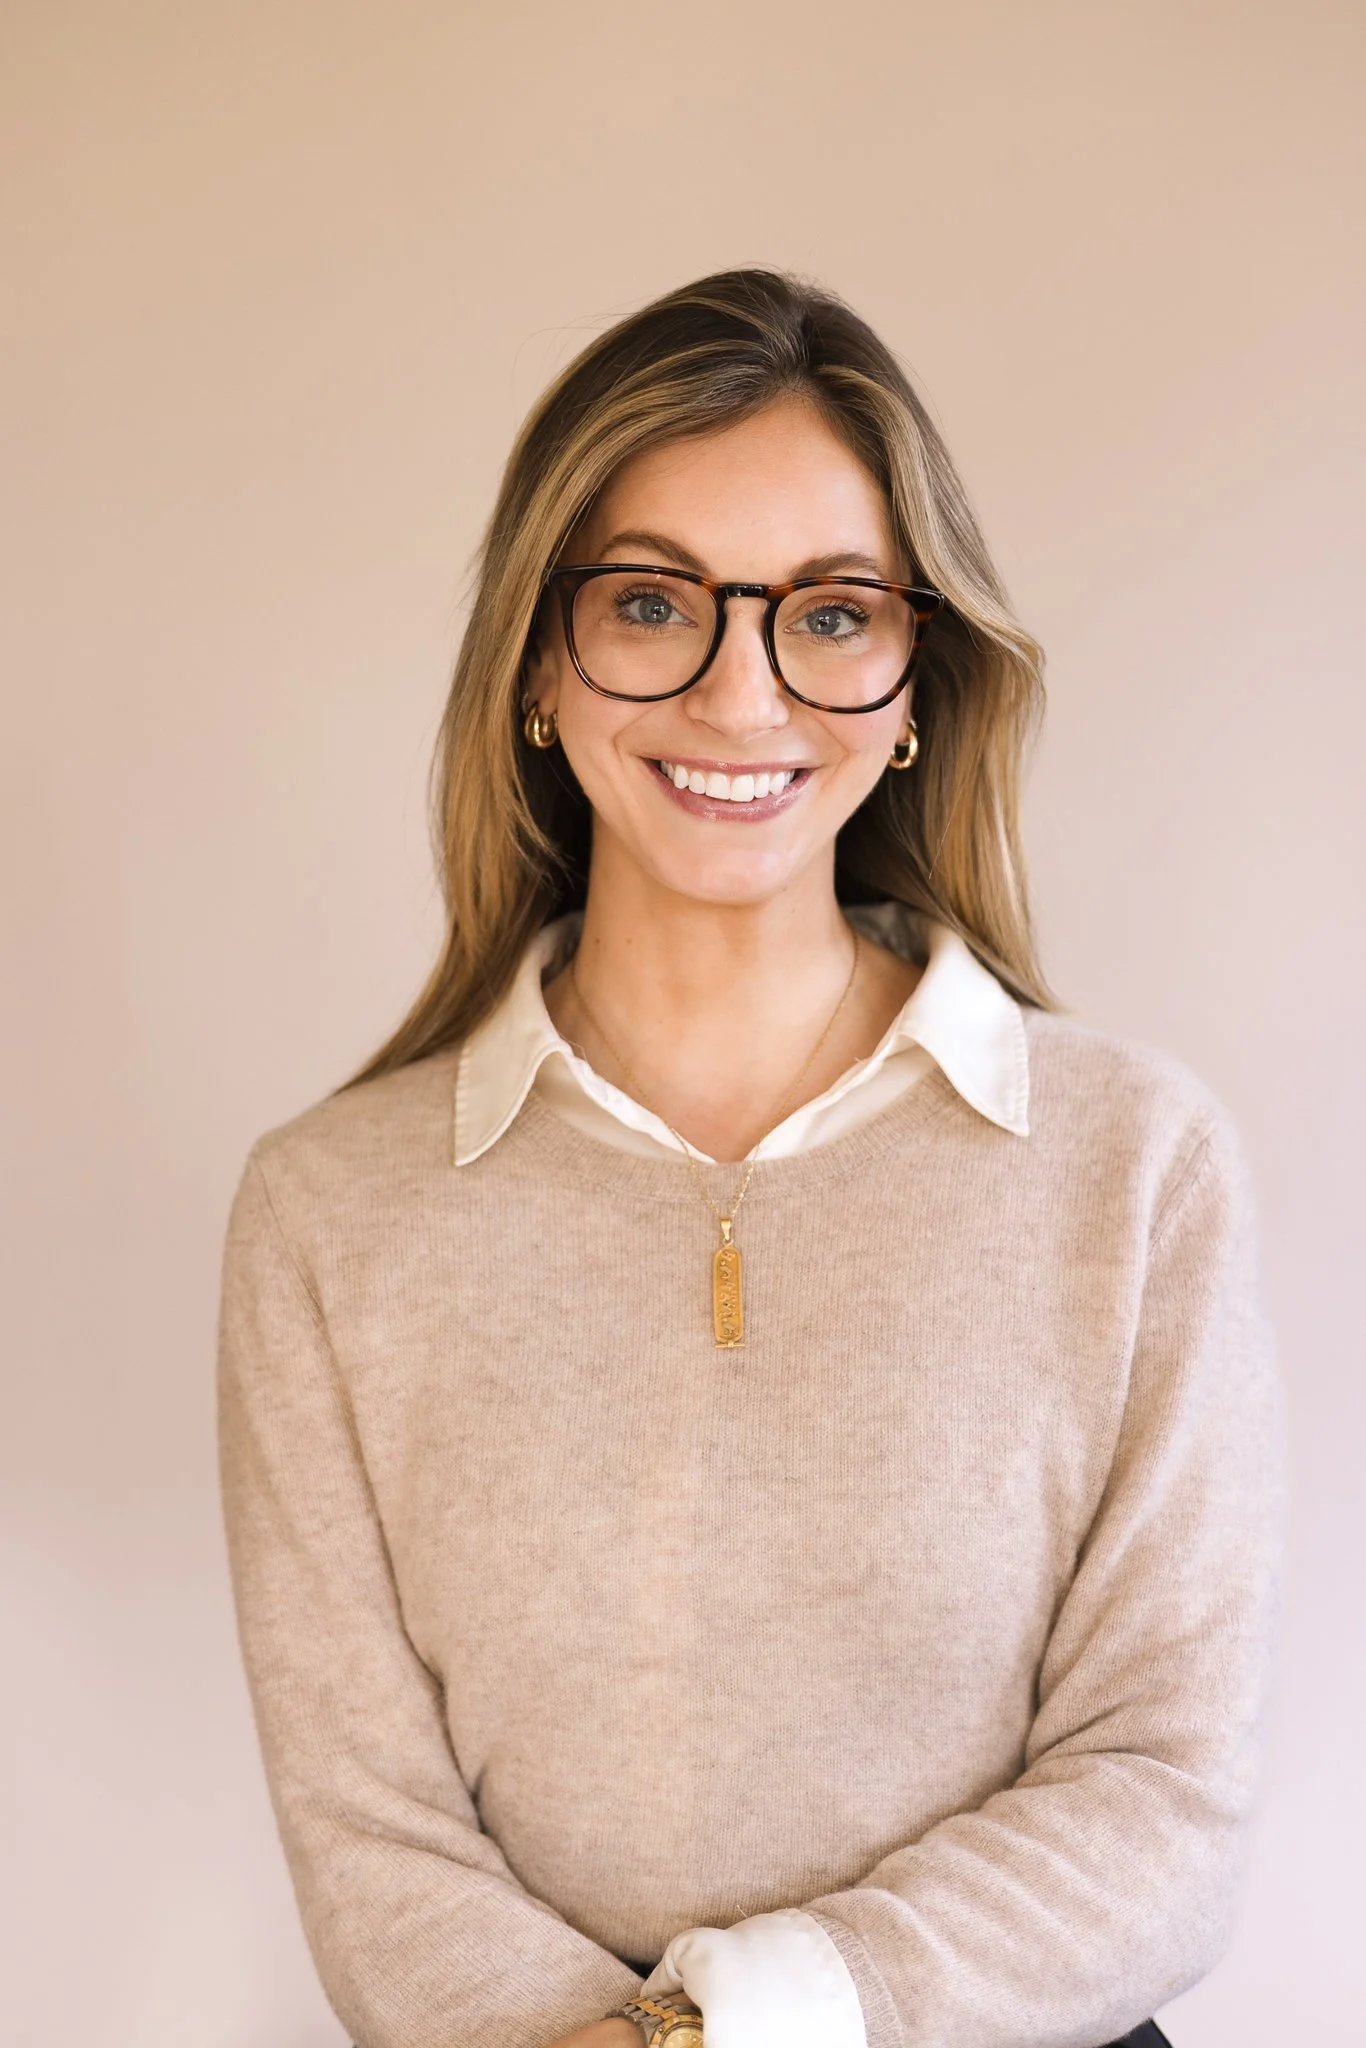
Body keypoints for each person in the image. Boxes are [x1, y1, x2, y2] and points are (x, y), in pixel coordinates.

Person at [216, 269, 1282, 2048]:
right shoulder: (330, 1217)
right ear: (540, 670)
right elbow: (371, 1838)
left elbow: (1163, 1794)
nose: (739, 692)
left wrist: (713, 2030)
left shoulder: (1131, 1164)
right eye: (651, 604)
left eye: (829, 614)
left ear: (913, 679)